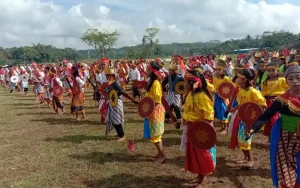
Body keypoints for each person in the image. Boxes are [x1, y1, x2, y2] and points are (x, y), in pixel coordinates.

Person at [246, 65, 300, 188]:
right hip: (287, 139)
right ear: (286, 81)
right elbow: (267, 114)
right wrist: (254, 128)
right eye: (291, 79)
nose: (295, 81)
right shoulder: (282, 100)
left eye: (298, 77)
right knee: (287, 168)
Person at [182, 69, 216, 188]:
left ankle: (201, 181)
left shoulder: (202, 96)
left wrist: (201, 131)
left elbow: (209, 116)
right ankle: (199, 175)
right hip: (192, 128)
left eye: (185, 82)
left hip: (200, 131)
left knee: (202, 155)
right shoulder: (190, 94)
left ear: (192, 83)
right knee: (194, 154)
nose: (183, 84)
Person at [228, 69, 266, 168]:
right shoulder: (241, 91)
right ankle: (245, 158)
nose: (236, 79)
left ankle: (250, 159)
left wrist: (254, 118)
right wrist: (234, 109)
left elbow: (262, 105)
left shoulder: (254, 92)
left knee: (245, 139)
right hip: (241, 117)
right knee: (240, 139)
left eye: (239, 77)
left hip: (248, 120)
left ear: (244, 80)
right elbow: (241, 103)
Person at [105, 66, 138, 141]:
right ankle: (119, 133)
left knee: (117, 119)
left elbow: (123, 92)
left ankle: (122, 135)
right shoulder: (108, 83)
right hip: (111, 103)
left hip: (117, 104)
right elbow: (106, 92)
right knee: (113, 119)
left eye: (107, 75)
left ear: (110, 75)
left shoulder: (115, 83)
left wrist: (132, 100)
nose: (106, 76)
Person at [144, 61, 166, 164]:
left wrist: (148, 108)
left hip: (155, 110)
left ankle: (162, 155)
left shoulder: (156, 83)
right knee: (153, 132)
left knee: (156, 134)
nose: (146, 71)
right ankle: (159, 152)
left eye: (148, 69)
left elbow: (157, 100)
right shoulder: (151, 82)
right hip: (151, 110)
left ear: (152, 71)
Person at [261, 62, 289, 142]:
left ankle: (279, 139)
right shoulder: (265, 82)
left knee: (276, 120)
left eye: (273, 70)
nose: (271, 72)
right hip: (268, 103)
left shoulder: (282, 80)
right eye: (269, 71)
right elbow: (263, 93)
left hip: (279, 103)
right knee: (268, 121)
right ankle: (270, 139)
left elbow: (288, 89)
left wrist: (283, 98)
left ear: (277, 70)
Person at [213, 55, 233, 134]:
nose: (217, 71)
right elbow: (214, 87)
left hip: (224, 97)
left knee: (224, 111)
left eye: (219, 70)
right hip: (217, 97)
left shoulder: (226, 79)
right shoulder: (214, 78)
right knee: (218, 111)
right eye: (217, 70)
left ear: (223, 70)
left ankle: (225, 128)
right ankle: (221, 127)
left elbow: (231, 87)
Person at [162, 63, 183, 128]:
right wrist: (164, 88)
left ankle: (179, 119)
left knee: (176, 107)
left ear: (174, 71)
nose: (169, 71)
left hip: (176, 94)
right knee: (169, 107)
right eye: (169, 70)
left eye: (170, 70)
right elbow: (163, 83)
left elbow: (183, 85)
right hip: (170, 93)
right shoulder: (168, 77)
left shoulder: (179, 77)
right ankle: (167, 118)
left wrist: (181, 93)